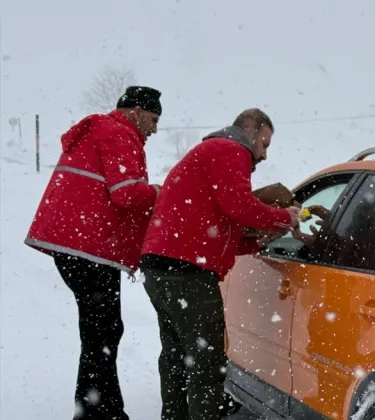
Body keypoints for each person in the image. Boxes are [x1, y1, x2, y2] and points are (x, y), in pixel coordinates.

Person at [138, 108, 300, 420]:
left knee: (176, 357)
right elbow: (239, 206)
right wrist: (284, 218)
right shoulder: (231, 150)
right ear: (250, 132)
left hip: (161, 267)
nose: (264, 154)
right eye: (264, 144)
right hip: (187, 273)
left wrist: (255, 243)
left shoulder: (209, 153)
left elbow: (217, 228)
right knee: (206, 363)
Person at [24, 86, 164, 420]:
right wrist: (161, 191)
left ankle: (102, 408)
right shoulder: (118, 133)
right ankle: (95, 411)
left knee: (102, 330)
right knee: (102, 331)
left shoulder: (106, 131)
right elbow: (126, 194)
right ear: (135, 112)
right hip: (87, 250)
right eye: (153, 119)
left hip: (79, 248)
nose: (155, 129)